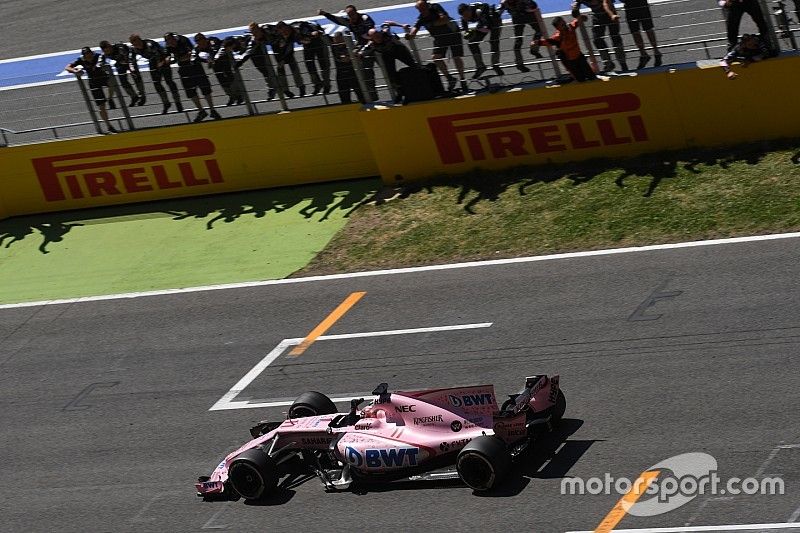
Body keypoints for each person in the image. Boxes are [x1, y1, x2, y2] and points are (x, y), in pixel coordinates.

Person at [388, 0, 467, 91]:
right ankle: (450, 78)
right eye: (420, 10)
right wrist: (409, 35)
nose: (422, 11)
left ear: (427, 6)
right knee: (436, 57)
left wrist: (431, 24)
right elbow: (414, 29)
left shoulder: (435, 7)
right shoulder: (421, 18)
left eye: (423, 9)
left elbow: (445, 19)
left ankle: (462, 79)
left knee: (456, 57)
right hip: (440, 39)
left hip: (453, 33)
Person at [319, 5, 378, 101]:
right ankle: (372, 96)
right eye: (349, 15)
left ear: (356, 12)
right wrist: (325, 14)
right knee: (367, 73)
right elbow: (337, 20)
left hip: (375, 44)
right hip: (363, 48)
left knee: (385, 67)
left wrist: (364, 36)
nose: (351, 16)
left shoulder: (364, 17)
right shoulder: (349, 21)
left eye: (352, 14)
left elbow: (370, 29)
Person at [164, 33, 221, 122]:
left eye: (171, 40)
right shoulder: (168, 46)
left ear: (174, 38)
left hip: (195, 65)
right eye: (168, 41)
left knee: (205, 88)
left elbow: (191, 54)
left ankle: (212, 110)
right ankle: (201, 111)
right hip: (183, 68)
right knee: (190, 92)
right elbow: (168, 58)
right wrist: (169, 58)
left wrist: (177, 59)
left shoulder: (183, 40)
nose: (170, 43)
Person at [65, 47, 118, 133]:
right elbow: (67, 67)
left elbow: (105, 61)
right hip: (93, 82)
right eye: (86, 55)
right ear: (84, 56)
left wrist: (101, 64)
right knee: (101, 106)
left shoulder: (98, 56)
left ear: (92, 53)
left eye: (89, 54)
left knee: (112, 84)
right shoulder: (81, 59)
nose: (88, 56)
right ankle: (109, 125)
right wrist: (75, 70)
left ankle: (110, 98)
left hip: (103, 77)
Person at [129, 33, 183, 114]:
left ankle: (178, 102)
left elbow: (158, 54)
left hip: (163, 58)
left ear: (140, 40)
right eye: (133, 43)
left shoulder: (149, 44)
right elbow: (131, 60)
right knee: (156, 84)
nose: (136, 45)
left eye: (136, 42)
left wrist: (161, 64)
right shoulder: (133, 48)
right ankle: (166, 103)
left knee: (169, 81)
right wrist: (132, 69)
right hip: (153, 61)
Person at [571, 0, 628, 72]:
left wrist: (612, 15)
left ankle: (623, 63)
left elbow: (606, 3)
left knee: (615, 37)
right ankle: (608, 63)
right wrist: (577, 12)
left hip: (610, 12)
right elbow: (575, 10)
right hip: (597, 15)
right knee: (597, 39)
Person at [362, 27, 418, 100]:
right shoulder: (371, 44)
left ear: (380, 33)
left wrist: (395, 26)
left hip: (399, 50)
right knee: (391, 76)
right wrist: (360, 53)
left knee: (415, 66)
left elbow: (387, 25)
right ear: (372, 38)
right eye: (375, 37)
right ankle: (400, 93)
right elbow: (363, 52)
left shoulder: (386, 34)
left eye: (378, 35)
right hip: (387, 55)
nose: (378, 38)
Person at [536, 15, 597, 81]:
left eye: (564, 23)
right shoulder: (558, 37)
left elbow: (576, 22)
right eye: (562, 25)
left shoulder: (570, 27)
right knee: (580, 79)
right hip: (570, 62)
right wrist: (537, 42)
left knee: (591, 76)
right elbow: (548, 42)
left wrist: (582, 18)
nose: (565, 25)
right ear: (558, 28)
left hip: (579, 56)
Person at [238, 22, 284, 99]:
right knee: (263, 69)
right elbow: (249, 51)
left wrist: (282, 40)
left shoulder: (268, 29)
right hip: (258, 49)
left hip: (277, 43)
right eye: (253, 33)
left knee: (279, 64)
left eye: (255, 32)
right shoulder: (253, 39)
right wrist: (241, 61)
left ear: (259, 29)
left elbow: (281, 32)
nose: (255, 34)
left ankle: (280, 87)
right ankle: (273, 88)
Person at [458, 2, 503, 77]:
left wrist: (474, 32)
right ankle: (480, 66)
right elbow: (463, 30)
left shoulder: (478, 11)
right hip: (483, 22)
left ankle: (495, 65)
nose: (466, 17)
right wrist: (466, 34)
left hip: (494, 20)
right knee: (472, 43)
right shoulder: (464, 17)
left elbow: (487, 26)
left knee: (494, 41)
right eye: (463, 15)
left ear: (469, 10)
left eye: (466, 14)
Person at [498, 0, 542, 72]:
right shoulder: (504, 3)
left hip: (525, 16)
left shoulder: (506, 3)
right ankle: (520, 62)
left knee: (539, 31)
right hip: (520, 18)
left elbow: (534, 6)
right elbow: (499, 11)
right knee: (519, 40)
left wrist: (528, 9)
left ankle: (533, 49)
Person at [99, 40, 146, 106]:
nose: (107, 52)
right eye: (105, 51)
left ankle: (142, 95)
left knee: (136, 76)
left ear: (110, 46)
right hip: (121, 64)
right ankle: (133, 96)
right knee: (123, 81)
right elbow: (101, 61)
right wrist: (102, 64)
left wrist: (127, 62)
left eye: (107, 49)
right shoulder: (105, 53)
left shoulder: (120, 48)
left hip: (130, 60)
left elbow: (127, 55)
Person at [293, 20, 332, 95]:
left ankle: (327, 84)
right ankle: (317, 83)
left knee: (324, 64)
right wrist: (303, 40)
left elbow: (321, 32)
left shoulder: (311, 25)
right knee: (309, 65)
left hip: (320, 44)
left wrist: (316, 33)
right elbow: (298, 40)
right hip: (308, 46)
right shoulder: (293, 32)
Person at [621, 0, 662, 68]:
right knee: (635, 32)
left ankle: (656, 52)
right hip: (629, 7)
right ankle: (643, 54)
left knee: (648, 29)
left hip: (642, 5)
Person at [274, 21, 308, 97]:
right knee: (281, 73)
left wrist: (302, 40)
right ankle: (285, 90)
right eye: (282, 31)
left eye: (285, 30)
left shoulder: (293, 32)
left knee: (295, 71)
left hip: (289, 54)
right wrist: (280, 60)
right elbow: (275, 48)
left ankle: (301, 87)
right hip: (279, 55)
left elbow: (297, 42)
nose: (284, 32)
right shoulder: (276, 36)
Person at [212, 36, 247, 105]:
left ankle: (238, 96)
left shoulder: (233, 42)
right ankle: (232, 96)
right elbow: (217, 56)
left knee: (231, 77)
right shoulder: (221, 48)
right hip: (217, 63)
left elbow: (242, 50)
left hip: (225, 62)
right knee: (222, 80)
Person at [330, 33, 364, 103]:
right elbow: (343, 59)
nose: (338, 42)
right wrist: (350, 55)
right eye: (336, 40)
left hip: (353, 72)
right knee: (344, 95)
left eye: (339, 40)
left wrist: (349, 56)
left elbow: (354, 55)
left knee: (360, 92)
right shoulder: (334, 47)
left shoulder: (351, 44)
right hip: (341, 73)